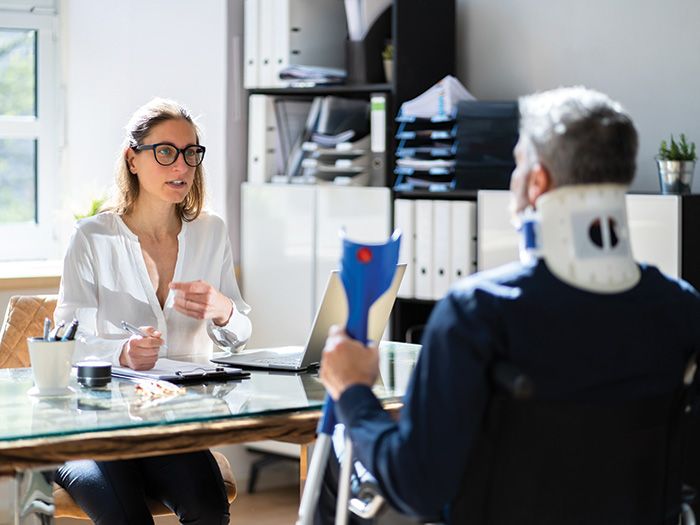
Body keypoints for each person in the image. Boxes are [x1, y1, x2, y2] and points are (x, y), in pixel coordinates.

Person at [317, 87, 700, 523]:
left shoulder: (476, 313)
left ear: (538, 182)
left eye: (517, 163)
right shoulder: (682, 309)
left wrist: (353, 394)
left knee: (338, 456)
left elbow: (418, 486)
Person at [53, 97, 251, 524]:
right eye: (165, 152)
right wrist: (121, 354)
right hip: (94, 426)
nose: (181, 166)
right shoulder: (91, 237)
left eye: (191, 153)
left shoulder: (211, 233)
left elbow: (241, 333)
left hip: (171, 424)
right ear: (133, 160)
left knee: (208, 509)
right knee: (127, 517)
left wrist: (224, 312)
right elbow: (68, 344)